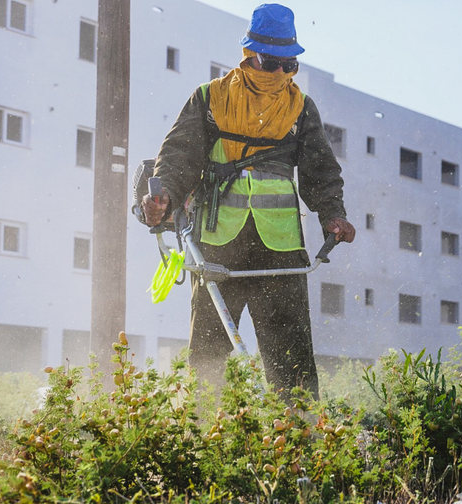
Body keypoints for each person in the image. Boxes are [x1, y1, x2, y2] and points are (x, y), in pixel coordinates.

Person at [141, 3, 355, 400]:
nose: (279, 73)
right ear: (249, 54)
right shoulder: (210, 99)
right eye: (272, 62)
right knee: (209, 355)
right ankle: (207, 440)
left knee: (292, 361)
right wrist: (163, 196)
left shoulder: (300, 108)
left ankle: (300, 441)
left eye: (288, 64)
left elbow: (321, 171)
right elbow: (176, 160)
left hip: (282, 250)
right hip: (220, 246)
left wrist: (334, 214)